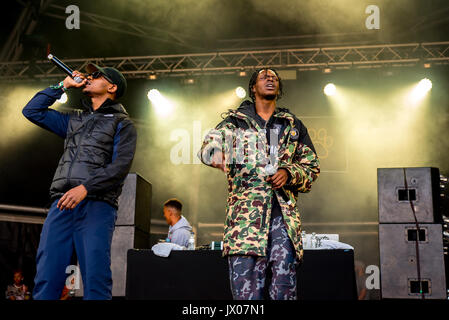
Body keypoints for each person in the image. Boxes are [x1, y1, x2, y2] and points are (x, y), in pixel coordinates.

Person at [199, 68, 320, 300]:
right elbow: (209, 145)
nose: (270, 79)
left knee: (284, 292)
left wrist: (289, 172)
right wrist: (214, 153)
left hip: (283, 224)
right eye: (264, 76)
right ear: (253, 87)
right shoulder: (235, 122)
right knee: (247, 299)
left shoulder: (291, 125)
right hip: (245, 226)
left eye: (274, 77)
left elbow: (311, 168)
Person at [22, 64, 137, 300]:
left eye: (97, 76)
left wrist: (85, 188)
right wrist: (62, 85)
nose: (90, 77)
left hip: (96, 205)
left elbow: (119, 167)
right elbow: (32, 110)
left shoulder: (122, 123)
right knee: (46, 278)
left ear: (112, 87)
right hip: (62, 204)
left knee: (95, 281)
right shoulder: (75, 120)